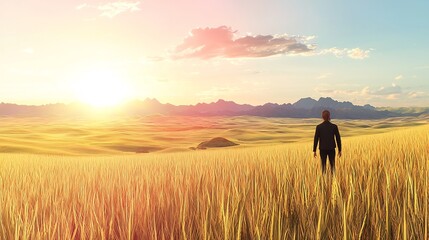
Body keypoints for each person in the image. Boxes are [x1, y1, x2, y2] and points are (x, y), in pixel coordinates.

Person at [313, 110, 342, 174]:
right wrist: (340, 150)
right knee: (332, 165)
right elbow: (338, 139)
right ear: (329, 116)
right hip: (331, 149)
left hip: (322, 149)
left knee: (323, 166)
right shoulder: (334, 126)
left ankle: (324, 180)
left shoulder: (319, 127)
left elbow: (316, 139)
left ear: (322, 117)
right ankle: (334, 180)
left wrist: (314, 150)